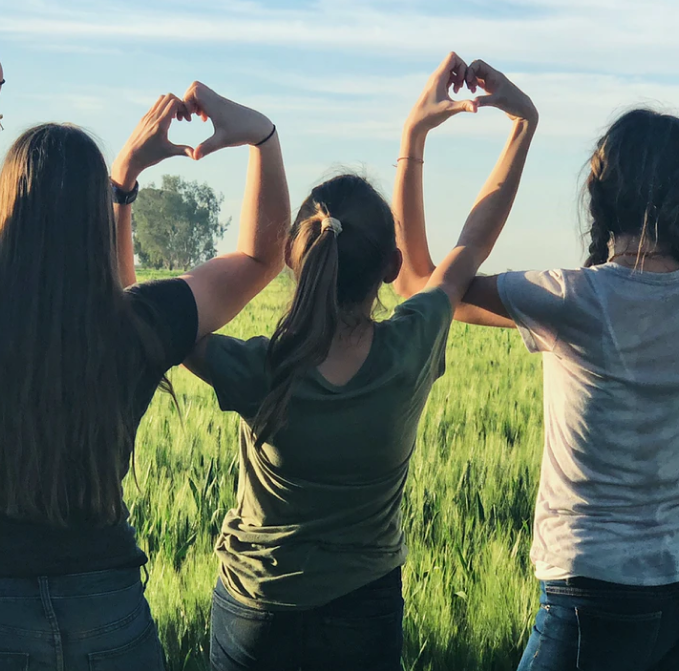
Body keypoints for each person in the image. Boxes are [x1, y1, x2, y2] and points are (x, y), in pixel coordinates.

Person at [0, 1, 291, 668]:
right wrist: (260, 137)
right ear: (96, 221)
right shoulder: (139, 325)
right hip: (112, 620)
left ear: (7, 214)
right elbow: (262, 255)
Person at [183, 52, 537, 671]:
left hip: (256, 611)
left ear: (296, 260)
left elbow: (155, 322)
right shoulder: (411, 346)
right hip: (364, 608)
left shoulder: (261, 368)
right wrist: (510, 125)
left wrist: (127, 188)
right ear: (390, 268)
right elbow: (472, 241)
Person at [393, 91, 679, 670]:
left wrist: (417, 137)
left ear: (602, 193)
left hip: (593, 596)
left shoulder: (572, 299)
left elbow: (417, 283)